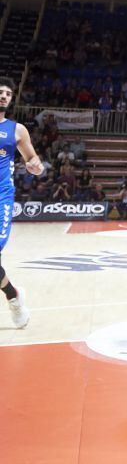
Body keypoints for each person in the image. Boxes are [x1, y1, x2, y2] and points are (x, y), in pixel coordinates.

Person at [0, 77, 44, 328]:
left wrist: (35, 166)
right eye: (0, 92)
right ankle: (13, 295)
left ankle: (14, 299)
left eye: (8, 93)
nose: (4, 96)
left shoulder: (17, 130)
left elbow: (33, 160)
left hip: (1, 197)